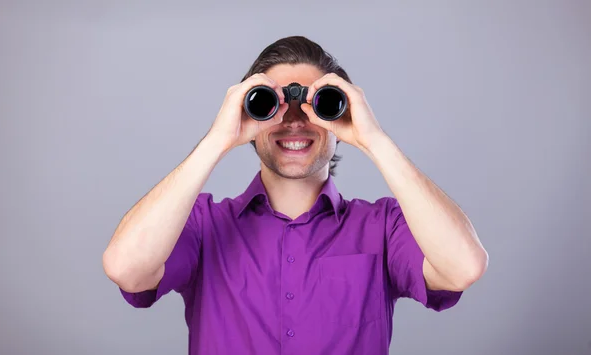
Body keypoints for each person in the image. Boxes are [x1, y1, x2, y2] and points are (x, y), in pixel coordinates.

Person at [102, 35, 488, 355]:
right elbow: (126, 269)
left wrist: (374, 140)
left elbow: (463, 267)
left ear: (341, 116)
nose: (294, 120)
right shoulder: (204, 225)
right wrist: (218, 140)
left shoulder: (383, 228)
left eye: (316, 105)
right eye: (273, 105)